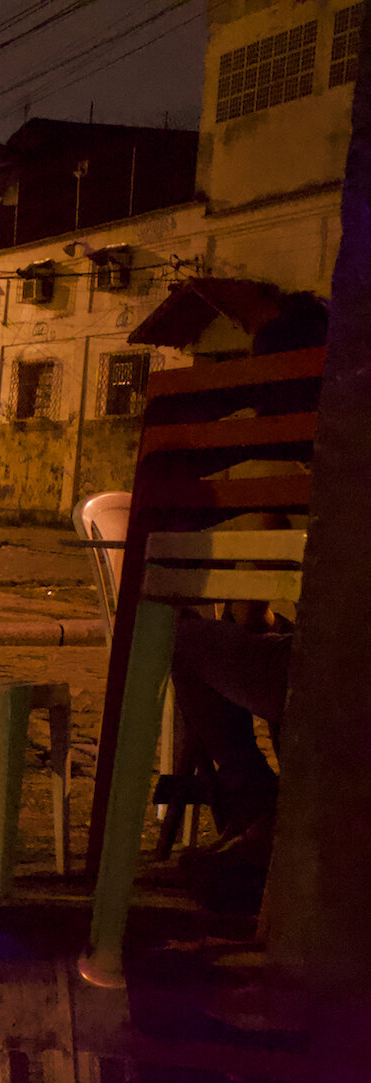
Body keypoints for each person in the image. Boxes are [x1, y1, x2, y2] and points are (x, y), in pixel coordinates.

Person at [167, 292, 327, 900]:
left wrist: (249, 621)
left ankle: (252, 805)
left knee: (187, 642)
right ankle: (277, 821)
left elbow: (256, 576)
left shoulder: (281, 453)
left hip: (328, 677)